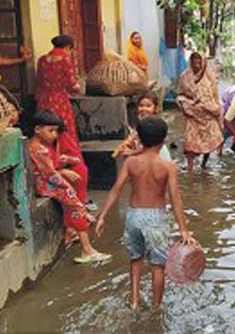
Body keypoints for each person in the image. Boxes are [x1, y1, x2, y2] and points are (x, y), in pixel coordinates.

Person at [96, 116, 196, 310]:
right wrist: (184, 229)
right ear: (164, 140)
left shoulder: (131, 162)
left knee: (135, 259)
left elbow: (116, 189)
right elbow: (175, 197)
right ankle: (156, 307)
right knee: (158, 265)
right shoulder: (168, 166)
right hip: (155, 218)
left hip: (133, 215)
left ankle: (134, 301)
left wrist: (102, 216)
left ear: (140, 139)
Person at [28, 111, 111, 264]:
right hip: (46, 185)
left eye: (55, 131)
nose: (54, 135)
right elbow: (51, 175)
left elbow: (52, 166)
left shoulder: (39, 146)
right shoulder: (39, 149)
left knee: (75, 202)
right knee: (76, 205)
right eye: (50, 130)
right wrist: (66, 183)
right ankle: (87, 249)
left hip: (47, 181)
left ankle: (79, 234)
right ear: (37, 129)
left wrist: (66, 163)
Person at [176, 52, 224, 174]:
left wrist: (215, 111)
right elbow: (180, 94)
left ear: (203, 62)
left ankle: (203, 164)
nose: (197, 65)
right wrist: (187, 104)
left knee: (208, 142)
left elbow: (215, 97)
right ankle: (190, 169)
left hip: (208, 115)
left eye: (199, 62)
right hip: (192, 115)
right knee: (190, 144)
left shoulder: (210, 78)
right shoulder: (185, 77)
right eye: (194, 61)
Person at [35, 35, 81, 141]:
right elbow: (72, 85)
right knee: (63, 131)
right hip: (60, 101)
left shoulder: (42, 60)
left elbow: (38, 81)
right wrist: (78, 88)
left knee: (45, 130)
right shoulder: (65, 59)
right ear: (68, 47)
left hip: (43, 100)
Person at [113, 91, 172, 161]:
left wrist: (132, 153)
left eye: (148, 106)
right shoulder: (137, 125)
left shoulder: (157, 125)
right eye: (141, 105)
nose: (144, 109)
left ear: (155, 108)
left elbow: (152, 147)